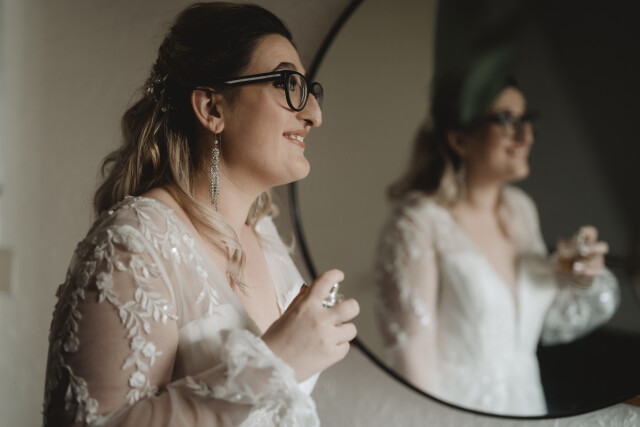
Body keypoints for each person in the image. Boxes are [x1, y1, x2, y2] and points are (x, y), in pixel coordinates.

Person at [42, 3, 359, 425]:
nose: (313, 114)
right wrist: (274, 363)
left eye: (309, 90)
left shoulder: (264, 237)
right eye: (287, 83)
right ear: (212, 108)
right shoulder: (133, 245)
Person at [373, 71, 619, 415]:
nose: (525, 136)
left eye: (526, 119)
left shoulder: (521, 210)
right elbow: (412, 354)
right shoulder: (418, 222)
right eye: (505, 120)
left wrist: (578, 278)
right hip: (455, 413)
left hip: (527, 405)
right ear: (460, 138)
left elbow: (540, 322)